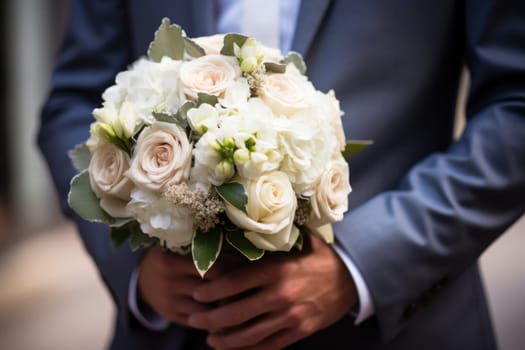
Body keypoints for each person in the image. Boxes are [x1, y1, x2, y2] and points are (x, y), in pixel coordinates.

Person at [38, 0, 525, 349]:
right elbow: (73, 104)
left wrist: (361, 266)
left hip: (392, 326)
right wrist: (134, 271)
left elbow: (514, 107)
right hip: (177, 330)